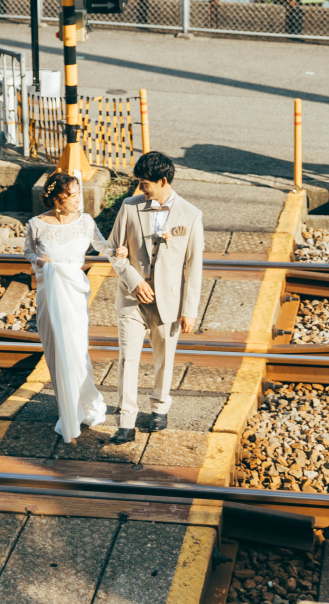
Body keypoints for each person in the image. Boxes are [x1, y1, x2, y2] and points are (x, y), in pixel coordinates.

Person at [23, 171, 128, 444]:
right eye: (72, 195)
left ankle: (86, 405)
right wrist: (40, 261)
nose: (78, 199)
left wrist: (118, 252)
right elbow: (28, 252)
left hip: (74, 294)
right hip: (50, 296)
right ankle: (66, 411)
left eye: (79, 193)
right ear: (58, 199)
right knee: (57, 352)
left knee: (77, 351)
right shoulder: (36, 224)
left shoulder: (85, 222)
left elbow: (103, 246)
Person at [106, 150, 204, 444]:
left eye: (145, 183)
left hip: (169, 303)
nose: (141, 189)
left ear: (163, 181)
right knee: (127, 359)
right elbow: (112, 250)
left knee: (164, 358)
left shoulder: (191, 215)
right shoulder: (129, 206)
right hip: (132, 300)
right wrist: (133, 280)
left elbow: (194, 267)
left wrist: (190, 310)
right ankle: (126, 421)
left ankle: (159, 408)